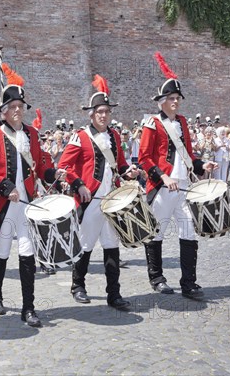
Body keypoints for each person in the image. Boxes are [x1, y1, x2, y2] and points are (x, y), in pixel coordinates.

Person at [0, 63, 65, 327]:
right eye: (12, 107)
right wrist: (5, 187)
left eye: (20, 106)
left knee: (27, 254)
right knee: (2, 251)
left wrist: (53, 175)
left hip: (27, 204)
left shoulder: (33, 135)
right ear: (3, 112)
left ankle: (29, 307)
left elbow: (42, 163)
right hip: (4, 204)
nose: (17, 111)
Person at [138, 52, 216, 299]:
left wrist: (202, 165)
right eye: (171, 98)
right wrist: (163, 177)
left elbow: (189, 155)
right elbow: (144, 159)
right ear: (161, 101)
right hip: (163, 187)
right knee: (156, 232)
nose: (175, 102)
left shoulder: (182, 122)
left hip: (184, 187)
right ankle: (157, 278)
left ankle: (189, 283)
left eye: (177, 98)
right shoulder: (152, 123)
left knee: (189, 232)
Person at [58, 74, 140, 309]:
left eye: (106, 111)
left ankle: (114, 293)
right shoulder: (81, 136)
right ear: (91, 114)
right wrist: (79, 185)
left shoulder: (114, 135)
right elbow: (64, 166)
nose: (103, 115)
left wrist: (129, 172)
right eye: (99, 112)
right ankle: (78, 286)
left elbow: (120, 165)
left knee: (111, 245)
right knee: (85, 245)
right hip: (91, 199)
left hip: (112, 199)